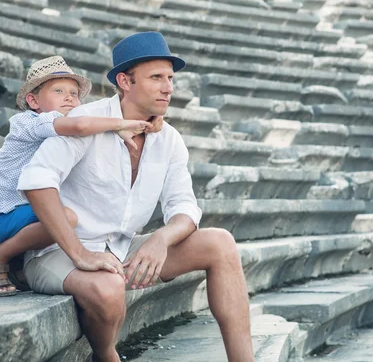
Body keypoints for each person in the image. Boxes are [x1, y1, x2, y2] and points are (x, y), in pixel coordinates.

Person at [17, 32, 253, 362]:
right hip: (60, 252)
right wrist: (81, 254)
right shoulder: (87, 121)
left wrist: (161, 239)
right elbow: (36, 181)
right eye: (156, 77)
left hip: (121, 251)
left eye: (170, 78)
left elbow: (184, 207)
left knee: (221, 243)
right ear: (125, 81)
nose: (168, 87)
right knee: (109, 287)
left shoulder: (170, 140)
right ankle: (107, 355)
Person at [0, 55, 161, 297]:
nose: (69, 98)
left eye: (74, 94)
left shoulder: (62, 131)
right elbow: (81, 126)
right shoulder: (27, 122)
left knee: (69, 213)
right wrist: (119, 124)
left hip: (25, 216)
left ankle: (20, 268)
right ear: (33, 100)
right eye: (59, 91)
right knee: (68, 217)